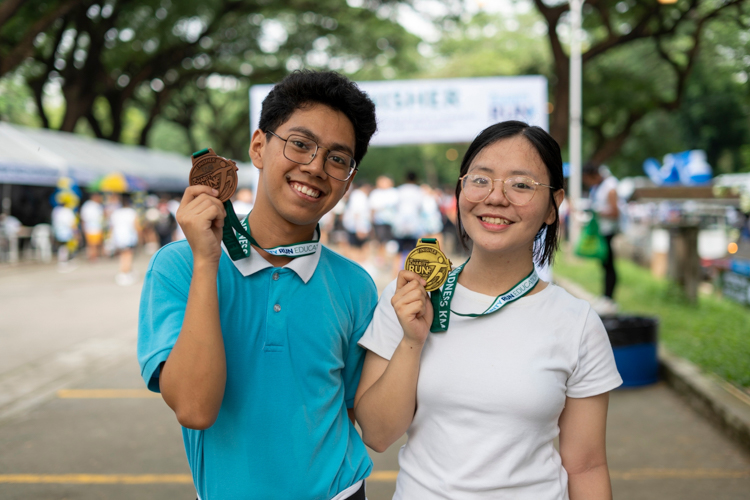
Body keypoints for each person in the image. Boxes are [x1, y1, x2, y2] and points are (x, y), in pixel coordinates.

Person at [137, 70, 378, 500]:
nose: (315, 167)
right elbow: (194, 408)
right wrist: (208, 261)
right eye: (300, 144)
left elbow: (355, 410)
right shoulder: (179, 266)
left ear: (349, 178)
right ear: (259, 146)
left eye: (338, 159)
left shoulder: (356, 286)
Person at [354, 121, 623, 499]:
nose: (496, 197)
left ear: (553, 206)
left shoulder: (577, 323)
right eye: (480, 179)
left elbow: (586, 465)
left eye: (521, 184)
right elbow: (377, 434)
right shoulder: (408, 298)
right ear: (461, 188)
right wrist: (411, 343)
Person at [582, 163, 622, 302]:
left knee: (609, 264)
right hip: (601, 230)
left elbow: (615, 212)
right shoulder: (598, 186)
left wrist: (597, 211)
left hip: (608, 230)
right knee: (605, 265)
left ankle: (609, 297)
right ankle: (606, 295)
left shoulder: (610, 187)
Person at [109, 194, 140, 285]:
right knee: (128, 255)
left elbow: (112, 226)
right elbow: (136, 225)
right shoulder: (131, 212)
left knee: (123, 255)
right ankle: (125, 273)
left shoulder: (115, 212)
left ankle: (124, 272)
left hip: (118, 237)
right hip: (129, 237)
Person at [80, 193, 105, 261]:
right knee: (93, 244)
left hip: (94, 227)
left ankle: (94, 256)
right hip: (92, 228)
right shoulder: (89, 205)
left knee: (95, 244)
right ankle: (93, 257)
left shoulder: (96, 205)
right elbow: (83, 218)